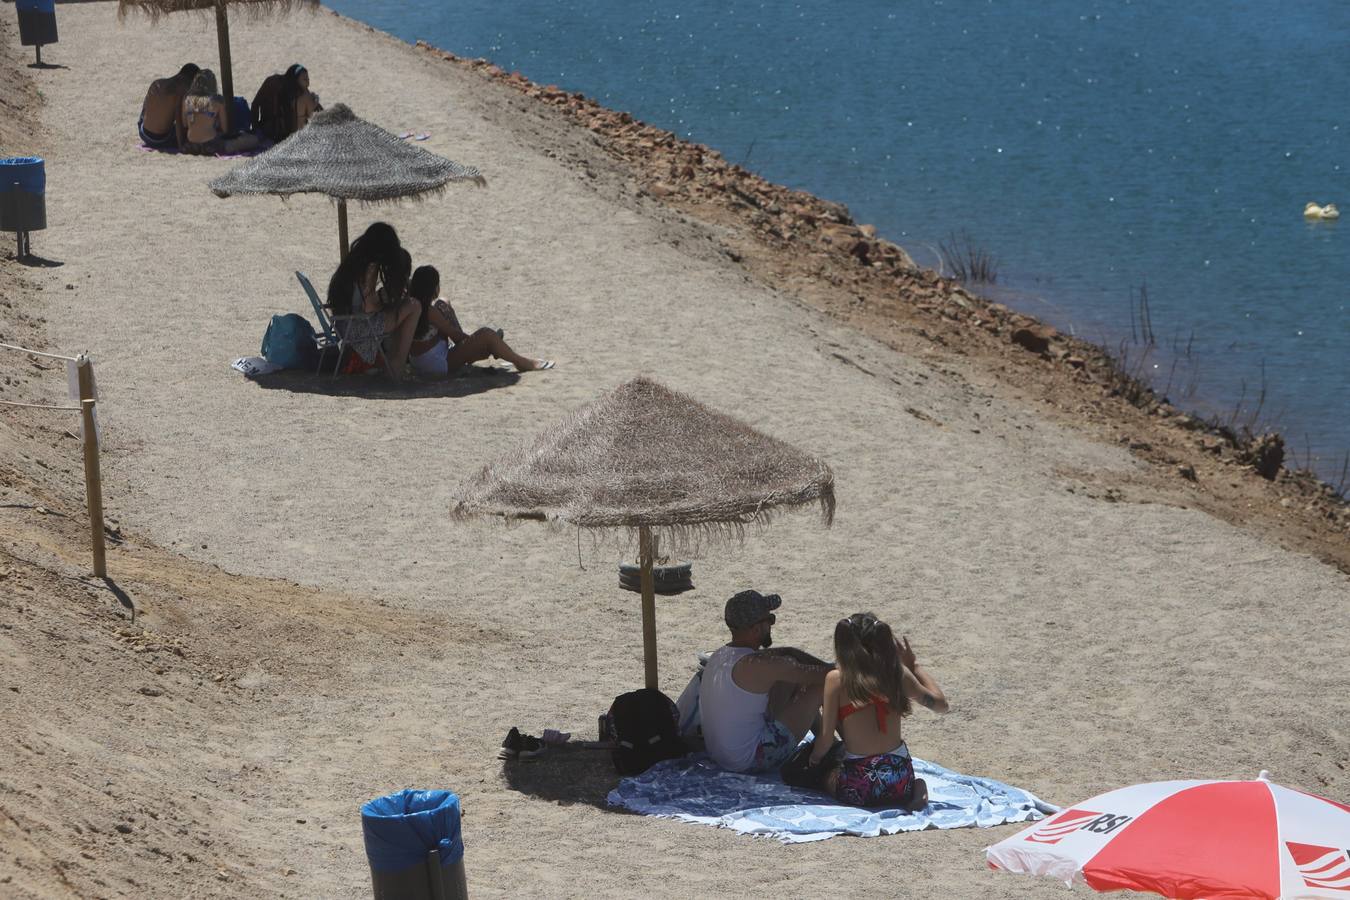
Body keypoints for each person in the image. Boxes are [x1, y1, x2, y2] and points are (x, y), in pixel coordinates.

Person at [807, 612, 948, 809]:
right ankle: (918, 791)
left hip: (860, 787)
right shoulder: (898, 673)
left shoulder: (836, 679)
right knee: (916, 781)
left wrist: (814, 759)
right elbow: (942, 705)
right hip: (901, 781)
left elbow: (826, 740)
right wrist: (914, 666)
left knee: (822, 776)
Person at [698, 590, 834, 774]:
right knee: (823, 685)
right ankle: (841, 747)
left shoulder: (721, 655)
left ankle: (828, 741)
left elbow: (788, 653)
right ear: (756, 629)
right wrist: (854, 668)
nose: (772, 624)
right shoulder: (759, 665)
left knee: (789, 676)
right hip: (750, 760)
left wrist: (820, 663)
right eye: (769, 620)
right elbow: (826, 676)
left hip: (723, 756)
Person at [406, 265, 554, 376]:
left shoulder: (413, 305)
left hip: (422, 360)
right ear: (433, 288)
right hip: (436, 364)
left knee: (443, 302)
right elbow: (456, 336)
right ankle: (522, 362)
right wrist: (474, 343)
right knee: (486, 334)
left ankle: (491, 347)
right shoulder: (430, 312)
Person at [325, 223, 421, 379]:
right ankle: (398, 366)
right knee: (414, 306)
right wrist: (386, 301)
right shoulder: (371, 266)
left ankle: (392, 362)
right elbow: (369, 307)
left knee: (398, 311)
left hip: (344, 325)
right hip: (358, 328)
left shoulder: (354, 261)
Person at [180, 69, 259, 156]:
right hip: (211, 144)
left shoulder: (186, 100)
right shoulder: (217, 101)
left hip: (191, 144)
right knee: (253, 140)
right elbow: (224, 129)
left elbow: (185, 124)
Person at [251, 64, 322, 142]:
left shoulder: (298, 88)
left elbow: (255, 104)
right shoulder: (273, 82)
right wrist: (255, 129)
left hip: (277, 132)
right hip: (272, 130)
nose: (308, 84)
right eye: (305, 79)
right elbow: (255, 104)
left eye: (308, 79)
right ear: (295, 80)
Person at [138, 63, 199, 151]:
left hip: (143, 132)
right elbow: (179, 123)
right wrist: (181, 144)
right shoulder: (180, 93)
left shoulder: (157, 83)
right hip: (160, 140)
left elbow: (145, 108)